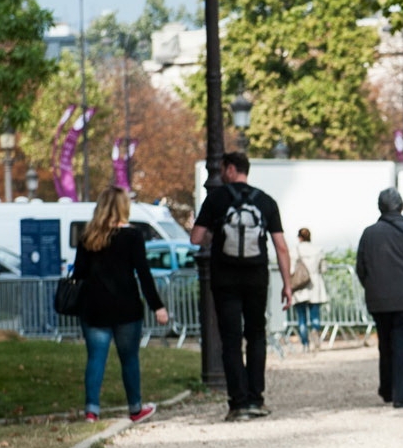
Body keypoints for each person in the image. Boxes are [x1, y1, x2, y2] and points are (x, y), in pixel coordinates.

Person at [190, 151, 292, 422]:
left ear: (231, 169)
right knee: (256, 336)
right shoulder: (266, 201)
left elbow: (196, 237)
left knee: (231, 340)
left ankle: (238, 403)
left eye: (223, 169)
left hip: (225, 279)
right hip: (256, 277)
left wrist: (215, 233)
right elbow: (281, 246)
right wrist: (288, 285)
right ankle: (256, 398)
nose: (221, 174)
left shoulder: (216, 198)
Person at [70, 187, 168, 424]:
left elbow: (79, 273)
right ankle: (135, 408)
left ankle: (92, 411)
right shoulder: (132, 236)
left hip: (94, 306)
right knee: (129, 358)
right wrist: (157, 306)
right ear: (123, 207)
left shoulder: (88, 236)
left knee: (95, 358)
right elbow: (143, 273)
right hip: (126, 305)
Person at [357, 189, 403, 408]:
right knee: (402, 346)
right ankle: (401, 394)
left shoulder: (368, 233)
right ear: (400, 207)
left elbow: (361, 268)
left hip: (378, 298)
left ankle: (387, 389)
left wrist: (371, 287)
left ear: (380, 208)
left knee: (385, 344)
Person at [291, 227, 329, 351]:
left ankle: (305, 344)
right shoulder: (318, 250)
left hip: (299, 286)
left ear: (299, 237)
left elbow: (291, 270)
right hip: (315, 284)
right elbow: (323, 268)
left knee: (301, 318)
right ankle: (315, 330)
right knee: (315, 315)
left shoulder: (295, 251)